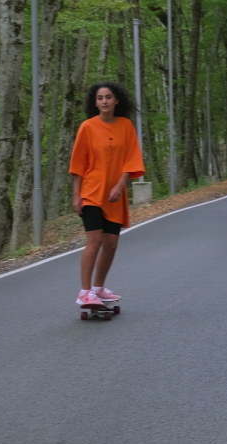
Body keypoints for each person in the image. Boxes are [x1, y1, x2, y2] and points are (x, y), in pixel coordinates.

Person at [69, 82, 145, 307]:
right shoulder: (87, 127)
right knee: (95, 241)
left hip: (114, 195)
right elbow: (78, 163)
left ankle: (98, 288)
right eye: (100, 98)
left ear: (116, 100)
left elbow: (131, 159)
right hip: (91, 192)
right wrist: (76, 195)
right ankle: (84, 292)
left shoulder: (126, 126)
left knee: (111, 244)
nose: (104, 101)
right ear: (95, 102)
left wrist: (121, 185)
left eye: (108, 97)